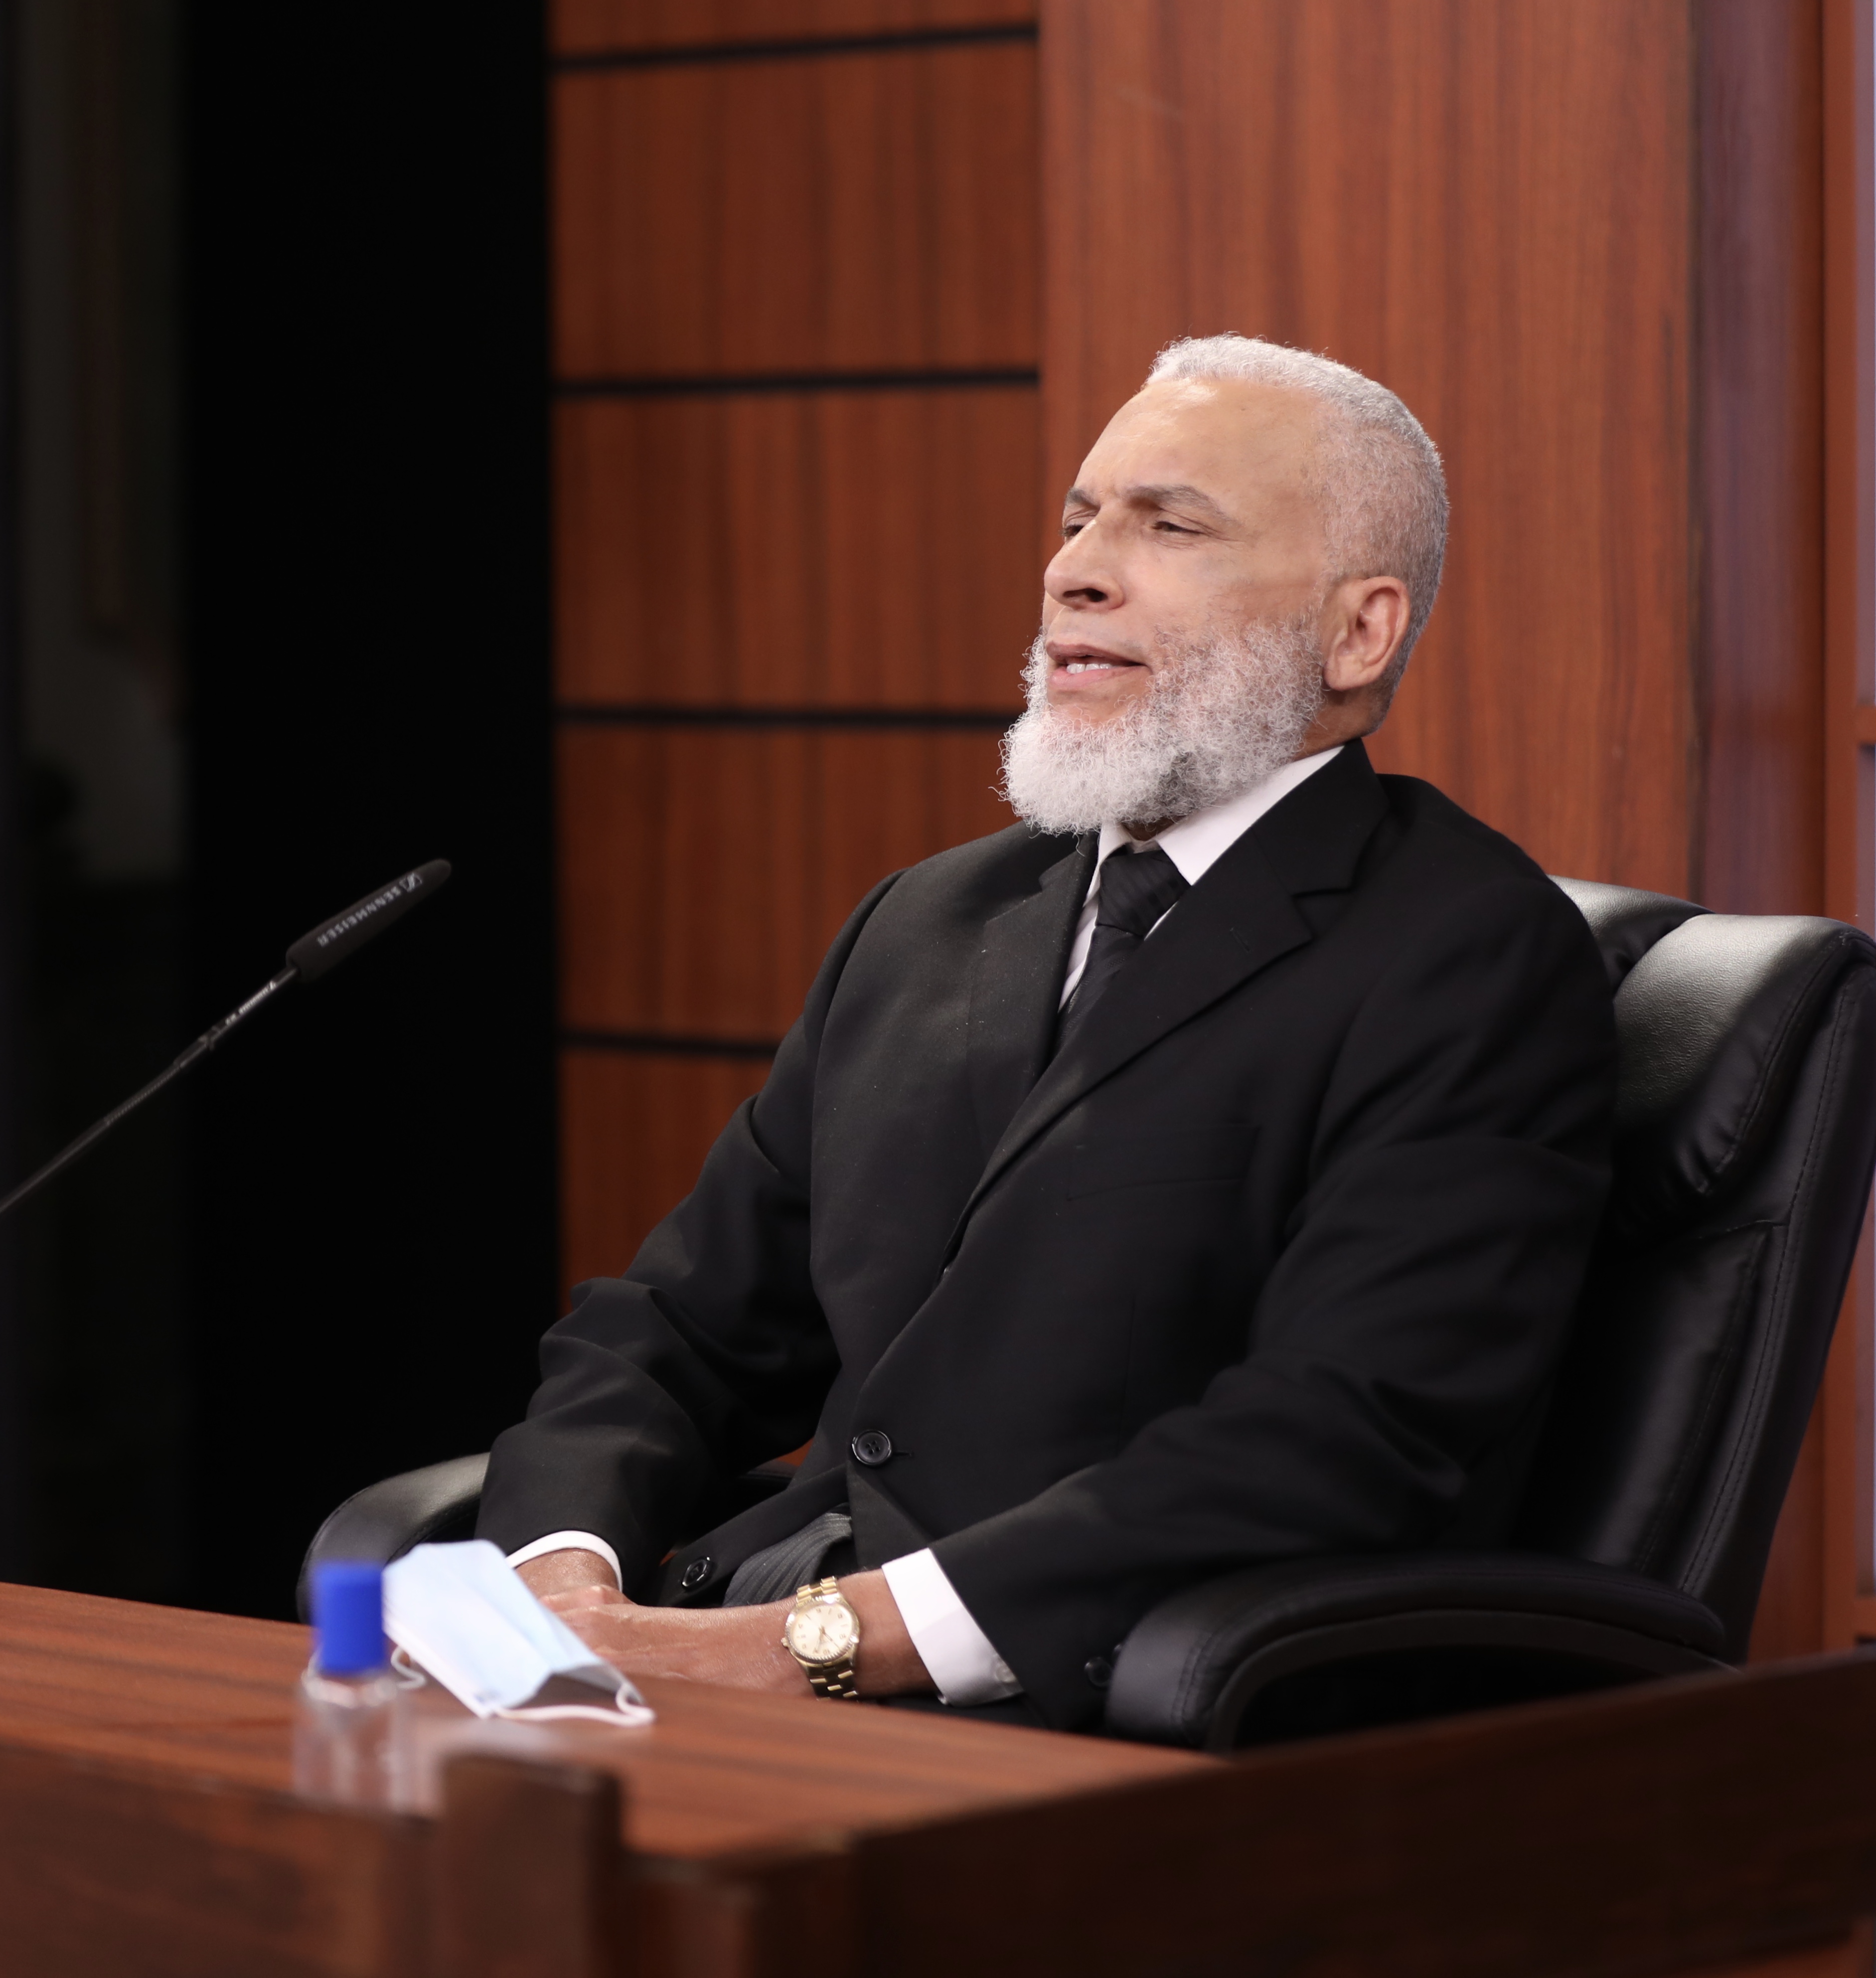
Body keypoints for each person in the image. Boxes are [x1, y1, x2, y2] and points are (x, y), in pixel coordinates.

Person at [484, 335, 1615, 1731]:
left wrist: (804, 1645)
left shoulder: (1469, 957)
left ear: (1357, 634)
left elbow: (1335, 1439)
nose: (1074, 570)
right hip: (740, 1639)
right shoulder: (927, 918)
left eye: (1170, 526)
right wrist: (559, 1580)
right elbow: (678, 1326)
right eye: (1079, 519)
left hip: (1088, 1706)